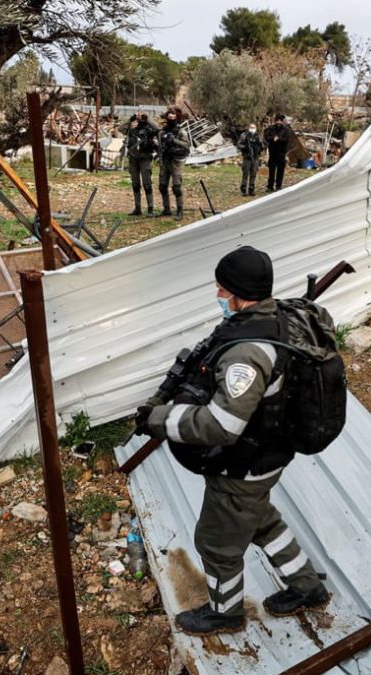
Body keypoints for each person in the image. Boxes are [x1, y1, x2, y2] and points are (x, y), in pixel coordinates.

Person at [137, 246, 331, 636]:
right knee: (260, 521)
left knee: (217, 544)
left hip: (245, 465)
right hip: (268, 456)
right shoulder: (277, 316)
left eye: (223, 289)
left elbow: (220, 426)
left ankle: (225, 614)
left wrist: (159, 420)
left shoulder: (248, 353)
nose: (218, 296)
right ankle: (307, 587)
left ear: (241, 293)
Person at [156, 107, 190, 219]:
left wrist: (174, 140)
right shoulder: (162, 132)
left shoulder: (181, 131)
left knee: (176, 187)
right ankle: (166, 209)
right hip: (165, 161)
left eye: (173, 117)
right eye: (169, 117)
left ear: (176, 118)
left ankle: (180, 211)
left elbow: (186, 145)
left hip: (176, 162)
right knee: (162, 186)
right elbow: (160, 147)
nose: (171, 119)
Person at [122, 112, 158, 216]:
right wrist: (130, 118)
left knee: (147, 184)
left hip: (145, 158)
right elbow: (121, 128)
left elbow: (158, 129)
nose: (138, 118)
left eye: (140, 117)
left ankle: (150, 209)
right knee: (135, 184)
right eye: (137, 117)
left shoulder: (149, 129)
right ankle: (138, 208)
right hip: (133, 159)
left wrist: (147, 119)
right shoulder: (131, 130)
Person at [265, 114, 291, 192]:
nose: (279, 122)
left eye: (280, 121)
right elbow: (266, 138)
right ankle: (270, 186)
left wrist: (278, 139)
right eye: (277, 121)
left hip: (281, 153)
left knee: (280, 170)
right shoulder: (271, 129)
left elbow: (286, 140)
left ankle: (278, 186)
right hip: (272, 152)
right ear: (275, 121)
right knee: (271, 170)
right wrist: (273, 139)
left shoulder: (286, 130)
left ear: (282, 122)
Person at [236, 123, 263, 196]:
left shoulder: (258, 136)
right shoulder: (244, 135)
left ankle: (251, 189)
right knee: (245, 174)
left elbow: (262, 145)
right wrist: (245, 147)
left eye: (254, 127)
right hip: (247, 158)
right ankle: (243, 189)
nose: (252, 128)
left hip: (255, 158)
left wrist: (259, 148)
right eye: (251, 127)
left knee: (253, 174)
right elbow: (238, 144)